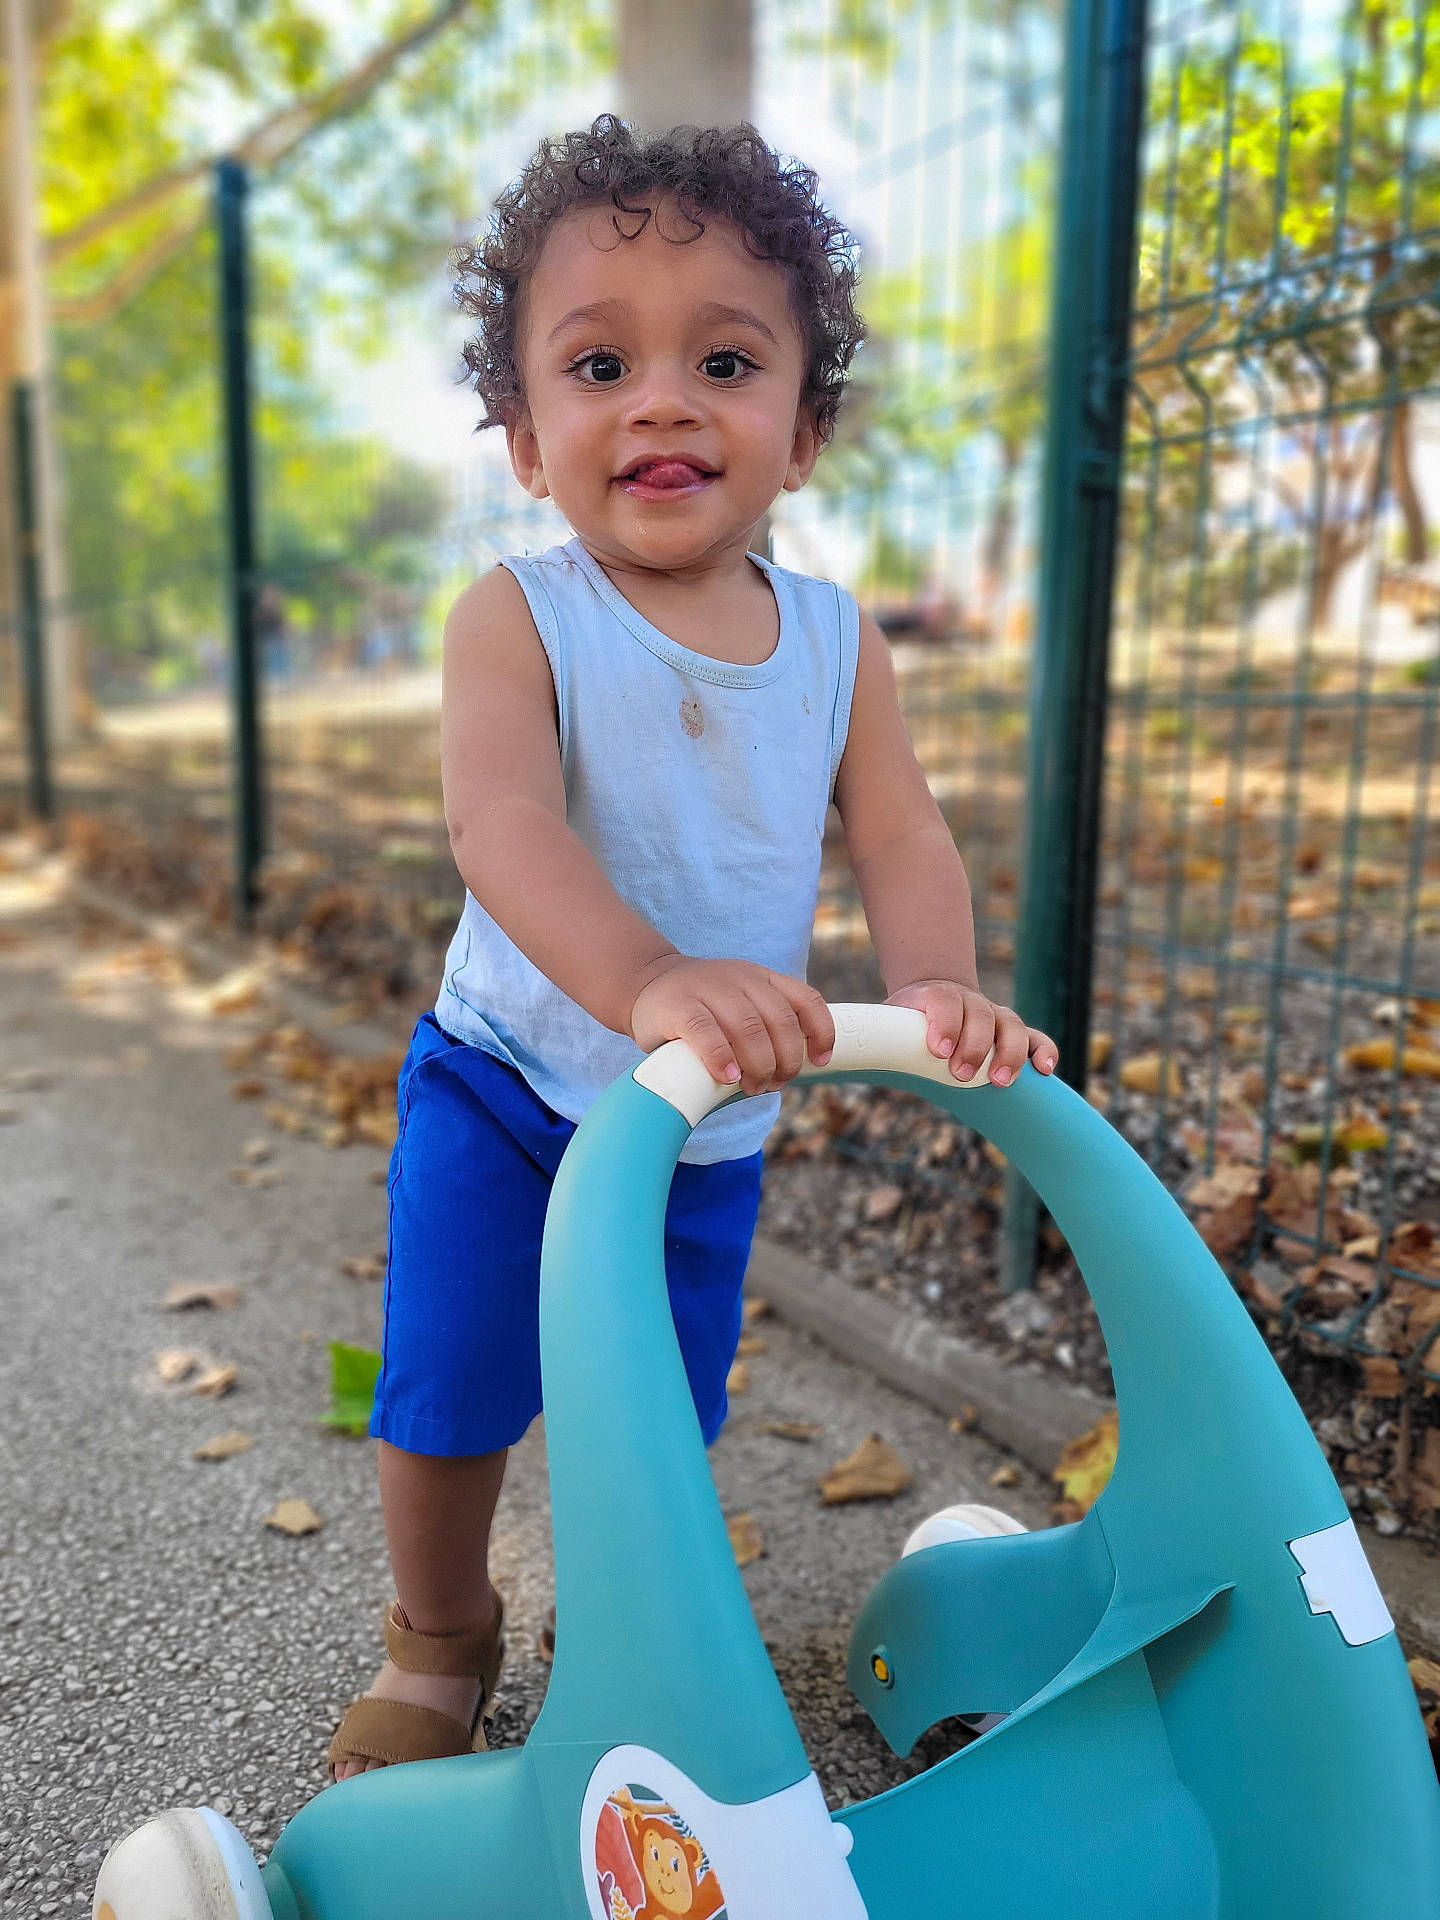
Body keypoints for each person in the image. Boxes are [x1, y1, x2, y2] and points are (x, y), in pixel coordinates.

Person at [327, 116, 1058, 1782]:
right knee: (446, 1394)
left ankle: (632, 1629)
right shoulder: (517, 616)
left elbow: (901, 834)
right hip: (512, 1085)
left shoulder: (835, 642)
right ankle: (442, 1640)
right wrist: (650, 975)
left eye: (723, 359)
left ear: (801, 432)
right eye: (598, 364)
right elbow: (499, 826)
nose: (661, 399)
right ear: (525, 437)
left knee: (649, 1419)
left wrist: (936, 978)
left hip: (703, 1128)